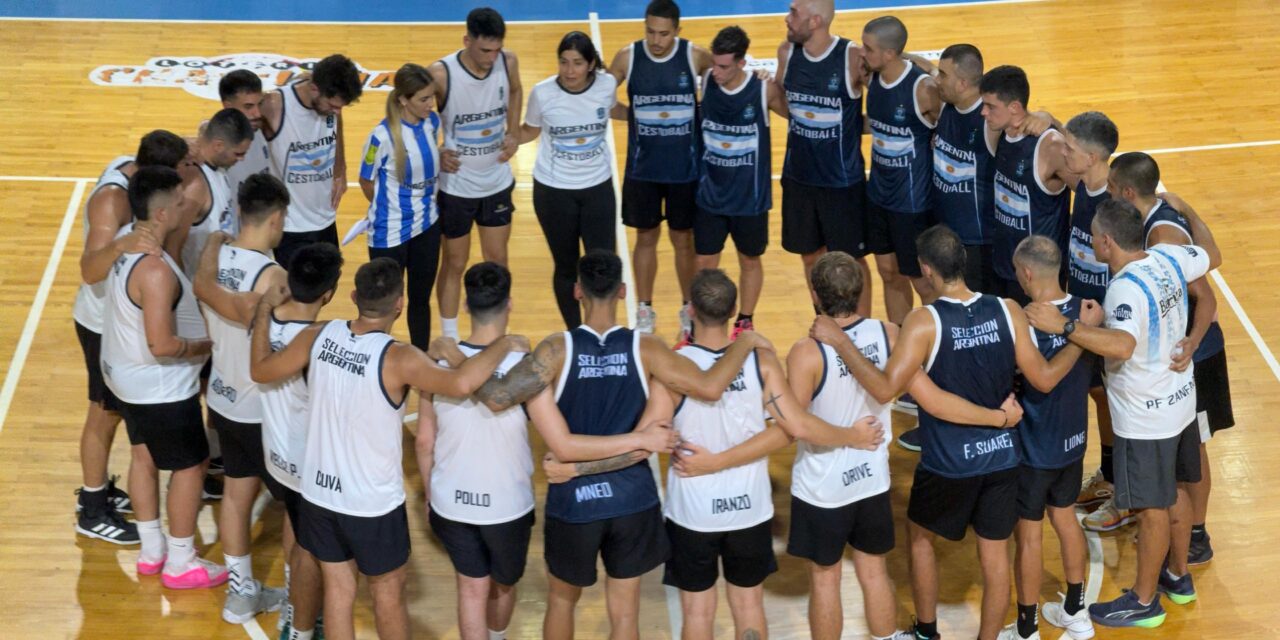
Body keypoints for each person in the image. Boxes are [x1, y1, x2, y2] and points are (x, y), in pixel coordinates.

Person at [465, 250, 775, 640]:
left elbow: (494, 396)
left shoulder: (555, 350)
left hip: (574, 502)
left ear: (577, 291)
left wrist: (452, 355)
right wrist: (744, 343)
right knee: (625, 616)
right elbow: (712, 387)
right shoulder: (648, 349)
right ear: (624, 291)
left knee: (562, 602)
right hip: (632, 500)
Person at [809, 225, 1096, 640]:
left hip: (949, 462)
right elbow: (1046, 379)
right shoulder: (1008, 309)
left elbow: (886, 388)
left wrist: (841, 342)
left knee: (921, 538)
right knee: (995, 556)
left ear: (926, 269)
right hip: (1003, 456)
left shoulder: (922, 322)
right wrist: (1077, 337)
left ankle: (927, 631)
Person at [249, 258, 528, 640]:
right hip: (371, 504)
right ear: (401, 303)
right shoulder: (400, 357)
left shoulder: (317, 335)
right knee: (388, 593)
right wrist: (505, 344)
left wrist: (264, 309)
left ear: (353, 296)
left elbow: (261, 371)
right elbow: (463, 384)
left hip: (318, 494)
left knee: (340, 592)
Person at [795, 251, 1024, 640]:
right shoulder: (889, 334)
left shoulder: (806, 352)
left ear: (814, 294)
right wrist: (1000, 418)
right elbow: (926, 395)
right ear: (861, 289)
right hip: (871, 479)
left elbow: (795, 425)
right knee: (874, 569)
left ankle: (922, 631)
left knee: (824, 579)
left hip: (824, 487)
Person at [1023, 199, 1221, 629]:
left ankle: (1144, 601)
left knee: (1152, 507)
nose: (1090, 240)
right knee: (1179, 490)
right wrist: (1189, 210)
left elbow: (1123, 346)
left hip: (1145, 415)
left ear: (1107, 243)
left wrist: (1068, 327)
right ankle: (1178, 575)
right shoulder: (1168, 255)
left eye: (1093, 235)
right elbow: (1213, 254)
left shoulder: (1124, 288)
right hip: (1180, 399)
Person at [101, 166, 225, 589]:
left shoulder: (126, 249)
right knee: (191, 466)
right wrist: (202, 347)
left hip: (125, 378)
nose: (183, 205)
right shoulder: (154, 270)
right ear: (159, 213)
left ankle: (153, 551)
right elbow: (163, 344)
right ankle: (181, 561)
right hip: (160, 387)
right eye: (177, 202)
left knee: (143, 457)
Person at [1107, 153, 1233, 563]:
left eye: (1110, 187)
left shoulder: (1162, 237)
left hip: (1198, 354)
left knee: (1194, 447)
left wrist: (1193, 342)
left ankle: (1197, 534)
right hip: (1184, 354)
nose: (1106, 194)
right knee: (1186, 447)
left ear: (1127, 192)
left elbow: (1207, 297)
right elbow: (1211, 253)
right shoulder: (1152, 221)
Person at [73, 130, 188, 545]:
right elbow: (89, 270)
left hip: (120, 316)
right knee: (103, 412)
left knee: (119, 413)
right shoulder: (113, 200)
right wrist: (122, 244)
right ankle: (91, 505)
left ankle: (101, 490)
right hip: (100, 322)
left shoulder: (134, 164)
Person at [192, 174, 291, 623]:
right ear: (275, 219)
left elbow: (204, 288)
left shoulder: (214, 260)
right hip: (262, 408)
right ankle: (295, 597)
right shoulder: (274, 278)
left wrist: (213, 241)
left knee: (235, 494)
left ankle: (240, 592)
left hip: (222, 398)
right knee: (294, 505)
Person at [416, 262, 531, 640]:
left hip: (452, 500)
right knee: (504, 585)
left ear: (465, 305)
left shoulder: (436, 361)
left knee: (470, 587)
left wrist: (430, 493)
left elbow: (424, 439)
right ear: (510, 304)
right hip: (508, 504)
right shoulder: (528, 367)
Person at [1004, 236, 1098, 640]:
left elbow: (1037, 381)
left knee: (1028, 534)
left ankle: (1027, 630)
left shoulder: (1022, 321)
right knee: (1064, 518)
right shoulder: (1086, 313)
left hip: (1033, 448)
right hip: (1074, 441)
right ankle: (1076, 614)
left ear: (1026, 272)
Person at [606, 0, 705, 337]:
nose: (656, 40)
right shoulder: (628, 57)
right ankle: (644, 309)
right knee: (645, 238)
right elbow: (600, 95)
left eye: (664, 33)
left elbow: (730, 77)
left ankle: (688, 308)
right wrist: (628, 115)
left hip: (685, 170)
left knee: (684, 241)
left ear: (677, 31)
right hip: (643, 170)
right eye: (650, 31)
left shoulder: (694, 56)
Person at [774, 0, 873, 315]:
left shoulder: (852, 57)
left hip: (841, 182)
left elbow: (891, 83)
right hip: (799, 177)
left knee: (852, 262)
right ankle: (825, 320)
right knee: (809, 258)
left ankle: (862, 326)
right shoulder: (786, 53)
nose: (787, 18)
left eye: (794, 13)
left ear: (815, 21)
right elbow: (779, 98)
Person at [431, 7, 523, 341]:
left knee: (498, 260)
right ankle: (450, 337)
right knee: (455, 263)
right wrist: (436, 150)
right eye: (485, 50)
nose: (491, 57)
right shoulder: (442, 74)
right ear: (466, 40)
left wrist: (513, 129)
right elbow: (414, 112)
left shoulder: (508, 62)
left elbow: (515, 90)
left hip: (496, 182)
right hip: (457, 187)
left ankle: (498, 333)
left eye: (497, 49)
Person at [518, 32, 619, 328]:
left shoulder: (606, 85)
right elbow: (530, 130)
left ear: (590, 65)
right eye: (563, 62)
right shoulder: (543, 92)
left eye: (576, 63)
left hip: (598, 189)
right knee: (566, 267)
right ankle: (576, 333)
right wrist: (507, 139)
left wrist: (647, 116)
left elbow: (613, 109)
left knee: (603, 267)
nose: (569, 70)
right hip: (553, 192)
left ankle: (602, 330)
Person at [1056, 113, 1125, 530]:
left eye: (1070, 149)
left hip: (1110, 323)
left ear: (1094, 156)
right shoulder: (1083, 184)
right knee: (1100, 397)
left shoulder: (1115, 207)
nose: (1062, 155)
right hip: (1084, 313)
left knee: (1116, 404)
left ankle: (1126, 494)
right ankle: (1111, 476)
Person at [693, 26, 780, 341]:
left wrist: (776, 79)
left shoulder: (761, 91)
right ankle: (701, 320)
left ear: (742, 63)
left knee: (749, 259)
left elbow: (794, 112)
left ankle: (745, 320)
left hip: (749, 199)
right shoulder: (706, 81)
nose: (716, 72)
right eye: (715, 64)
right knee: (704, 261)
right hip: (710, 194)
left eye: (724, 66)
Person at [358, 62, 444, 350]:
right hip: (389, 233)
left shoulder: (432, 123)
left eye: (432, 97)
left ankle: (419, 359)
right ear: (404, 100)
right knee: (383, 307)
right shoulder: (379, 138)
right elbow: (366, 181)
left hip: (427, 227)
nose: (431, 104)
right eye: (423, 99)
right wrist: (389, 209)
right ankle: (375, 360)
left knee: (420, 300)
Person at [862, 15, 941, 325]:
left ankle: (937, 343)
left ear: (890, 53)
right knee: (888, 272)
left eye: (868, 49)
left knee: (921, 281)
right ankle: (899, 338)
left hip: (912, 203)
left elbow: (950, 121)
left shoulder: (923, 89)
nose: (862, 54)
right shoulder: (872, 79)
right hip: (878, 195)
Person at [980, 66, 1076, 305]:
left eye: (990, 106)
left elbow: (1089, 185)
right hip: (1004, 262)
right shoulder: (998, 131)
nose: (983, 112)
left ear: (1014, 107)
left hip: (1039, 276)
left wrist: (1053, 122)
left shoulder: (1049, 146)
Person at [263, 53, 364, 269]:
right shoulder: (274, 106)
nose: (337, 112)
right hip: (290, 226)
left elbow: (336, 121)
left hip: (325, 218)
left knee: (325, 291)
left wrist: (340, 166)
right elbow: (233, 122)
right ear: (315, 89)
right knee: (295, 298)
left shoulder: (329, 102)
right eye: (333, 105)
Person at [931, 44, 996, 293]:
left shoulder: (989, 121)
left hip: (977, 244)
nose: (937, 80)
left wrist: (1045, 119)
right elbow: (925, 68)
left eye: (943, 75)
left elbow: (1027, 121)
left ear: (963, 83)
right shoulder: (949, 106)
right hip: (946, 235)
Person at [180, 108, 254, 279]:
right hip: (197, 289)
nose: (241, 159)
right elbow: (172, 245)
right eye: (238, 153)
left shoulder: (220, 167)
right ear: (218, 145)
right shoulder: (195, 183)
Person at [219, 69, 273, 236]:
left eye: (259, 104)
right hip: (233, 244)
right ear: (228, 106)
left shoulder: (264, 130)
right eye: (248, 106)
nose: (257, 113)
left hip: (261, 238)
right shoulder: (217, 150)